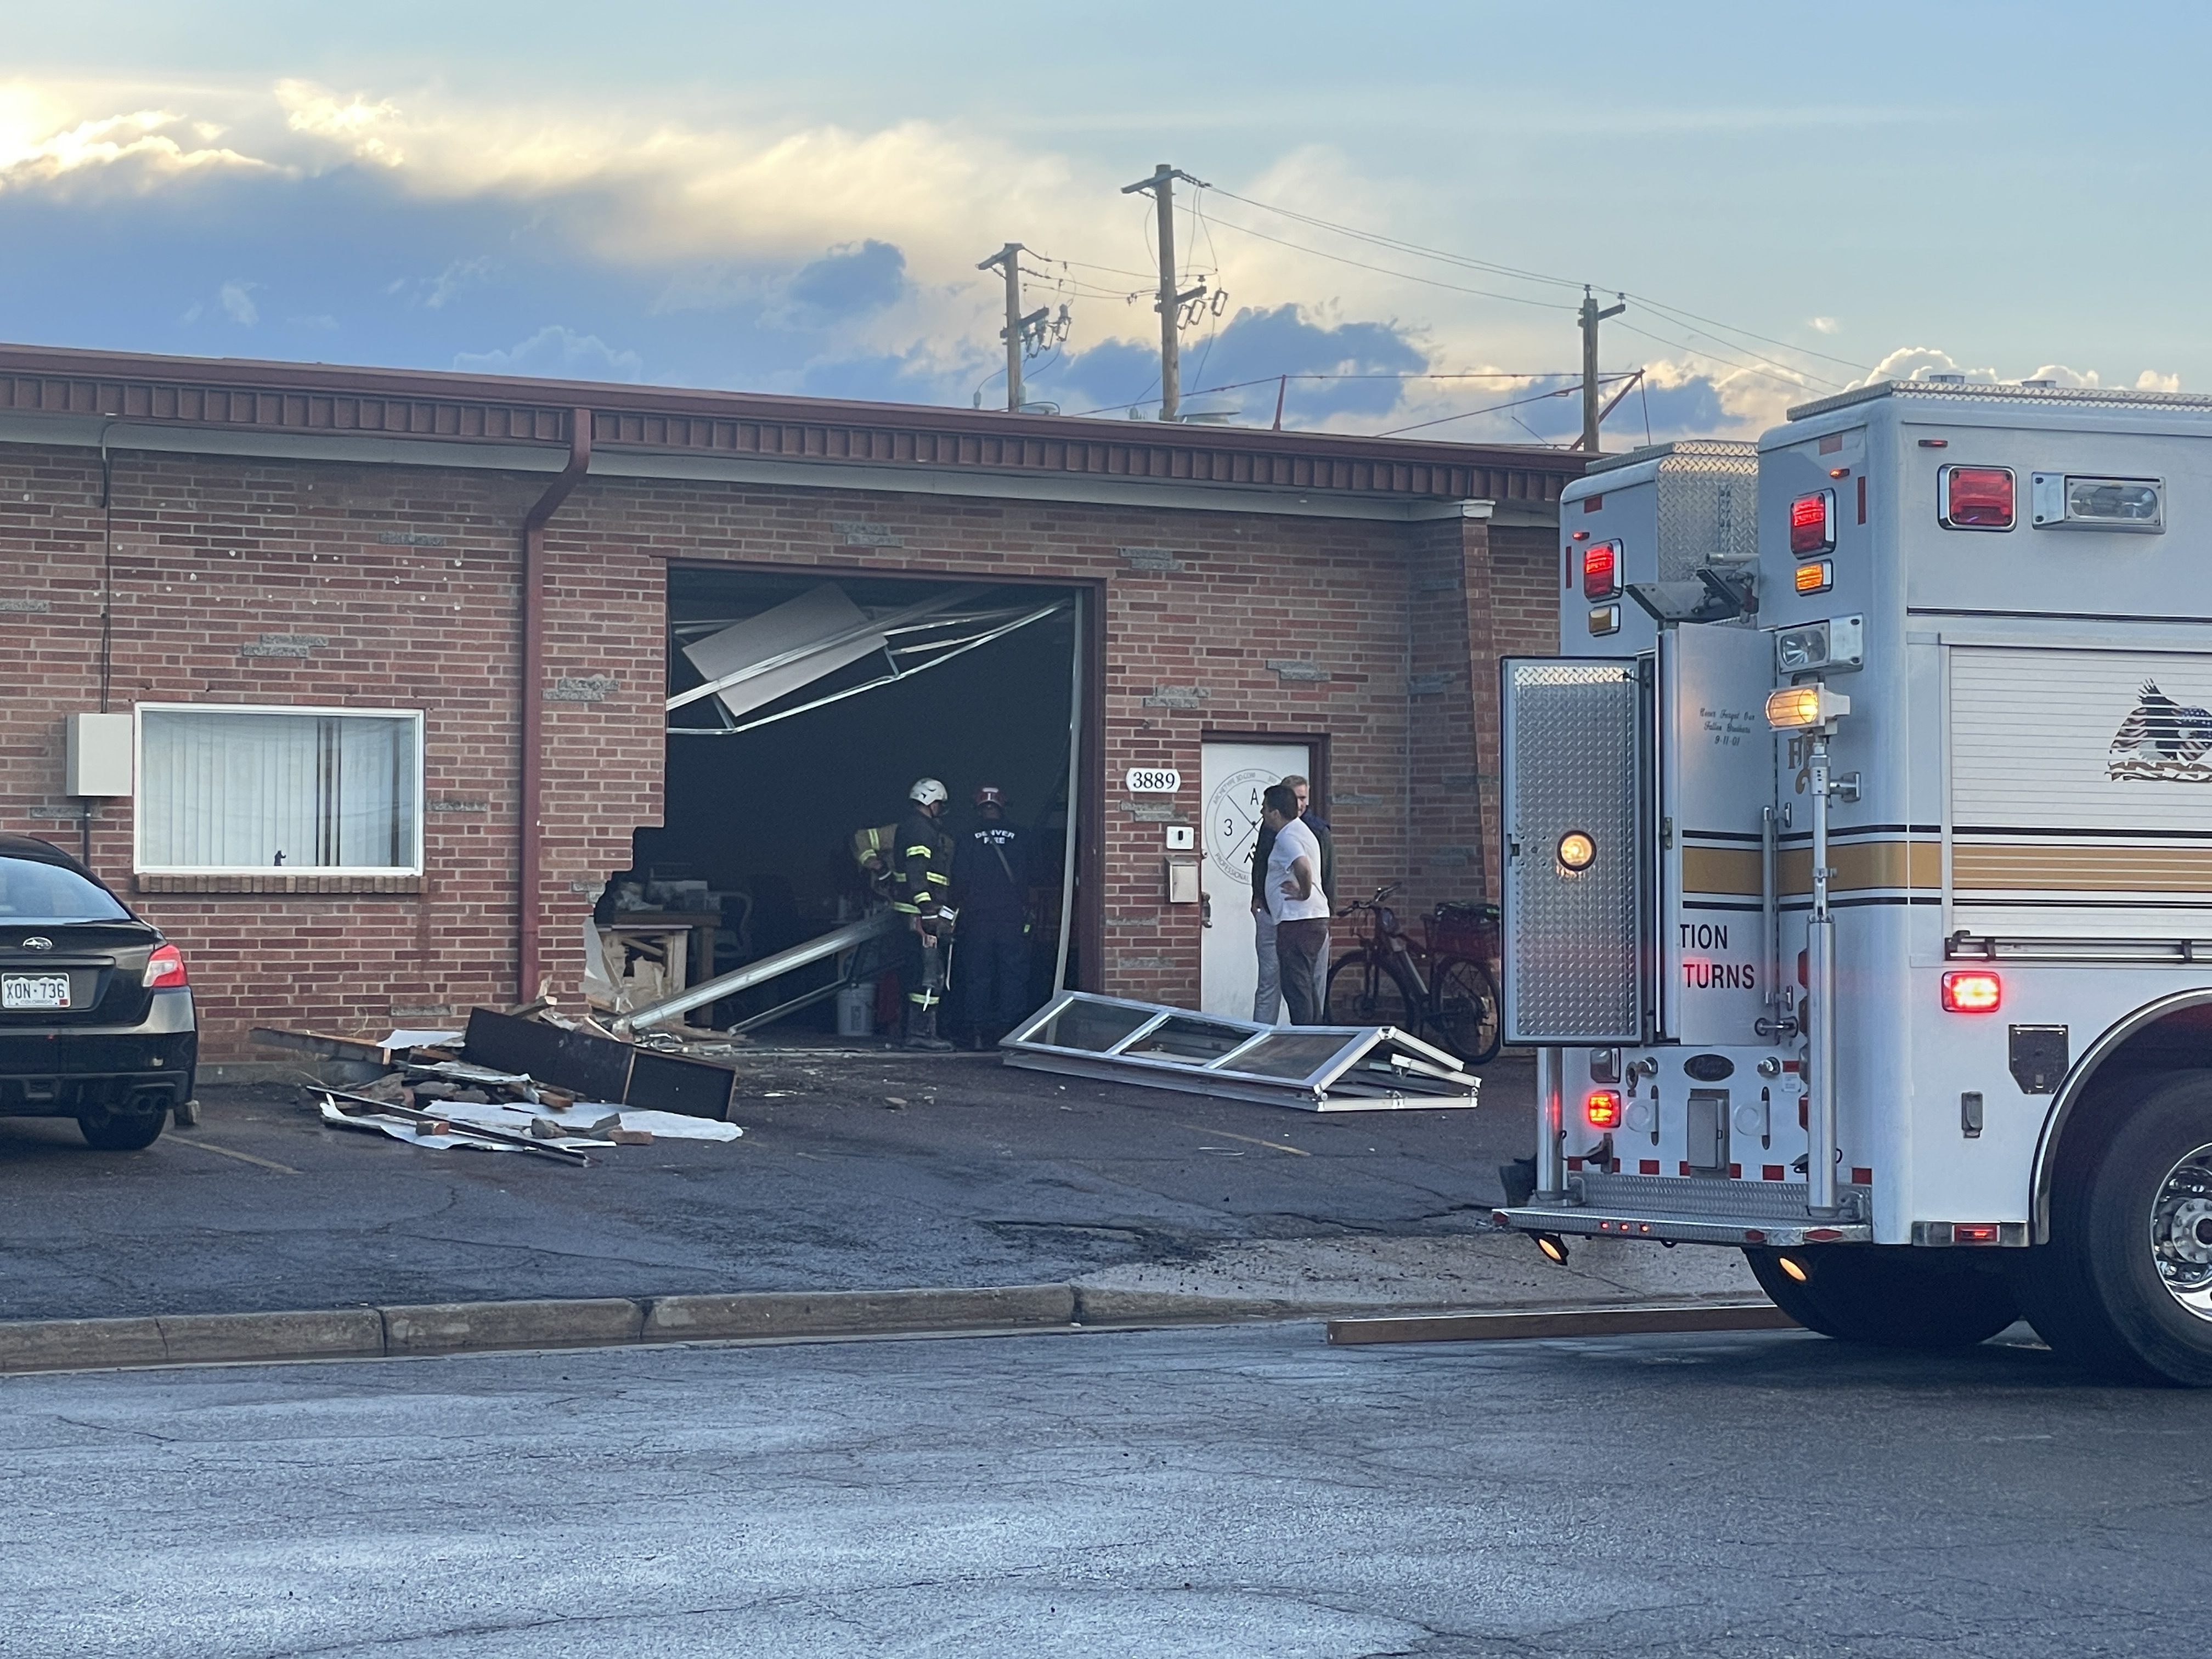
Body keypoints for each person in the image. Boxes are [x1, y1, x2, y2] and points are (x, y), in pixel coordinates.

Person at [951, 785, 1032, 1048]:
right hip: (1012, 917)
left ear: (979, 807)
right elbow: (1037, 874)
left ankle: (976, 1033)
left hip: (977, 919)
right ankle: (1011, 1031)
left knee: (977, 974)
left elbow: (959, 879)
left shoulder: (965, 838)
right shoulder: (1022, 836)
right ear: (1002, 806)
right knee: (1013, 974)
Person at [1250, 773, 1335, 1022]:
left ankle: (1306, 1042)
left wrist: (1304, 892)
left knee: (1297, 988)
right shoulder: (1297, 830)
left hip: (1298, 921)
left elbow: (1303, 866)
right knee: (1305, 986)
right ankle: (1311, 1037)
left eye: (1265, 809)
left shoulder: (1288, 836)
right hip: (1304, 919)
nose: (1263, 814)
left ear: (1276, 812)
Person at [888, 777, 957, 1049]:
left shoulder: (916, 826)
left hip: (916, 911)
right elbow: (918, 871)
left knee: (919, 972)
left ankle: (916, 1032)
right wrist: (927, 908)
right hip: (921, 915)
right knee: (929, 975)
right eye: (939, 803)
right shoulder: (920, 829)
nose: (941, 809)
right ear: (932, 802)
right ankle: (922, 1034)